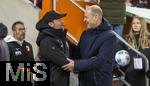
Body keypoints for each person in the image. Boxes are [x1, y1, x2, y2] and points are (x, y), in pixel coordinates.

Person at [62, 5, 117, 86]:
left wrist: (76, 65)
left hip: (99, 82)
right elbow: (78, 53)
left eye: (86, 17)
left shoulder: (110, 36)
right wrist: (65, 40)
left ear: (96, 17)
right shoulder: (85, 33)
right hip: (84, 81)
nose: (84, 20)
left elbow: (99, 60)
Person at [36, 10, 70, 86]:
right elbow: (64, 61)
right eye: (59, 20)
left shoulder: (59, 38)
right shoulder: (46, 41)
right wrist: (79, 65)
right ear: (51, 24)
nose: (62, 22)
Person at [122, 16, 150, 86]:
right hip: (130, 73)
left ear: (142, 25)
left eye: (138, 23)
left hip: (145, 74)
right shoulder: (126, 38)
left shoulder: (149, 39)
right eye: (133, 23)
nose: (135, 25)